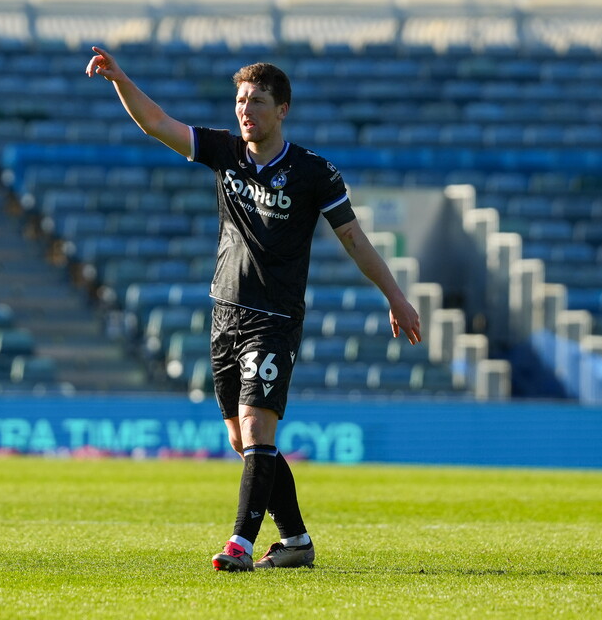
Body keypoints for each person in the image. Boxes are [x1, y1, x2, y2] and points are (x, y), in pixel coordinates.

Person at [86, 46, 422, 572]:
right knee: (241, 438)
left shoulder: (314, 172)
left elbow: (354, 240)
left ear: (281, 109)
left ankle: (239, 544)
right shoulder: (226, 152)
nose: (246, 109)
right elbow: (156, 123)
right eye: (241, 100)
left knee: (257, 428)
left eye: (257, 101)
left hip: (275, 317)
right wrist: (118, 78)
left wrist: (395, 296)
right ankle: (296, 542)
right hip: (225, 311)